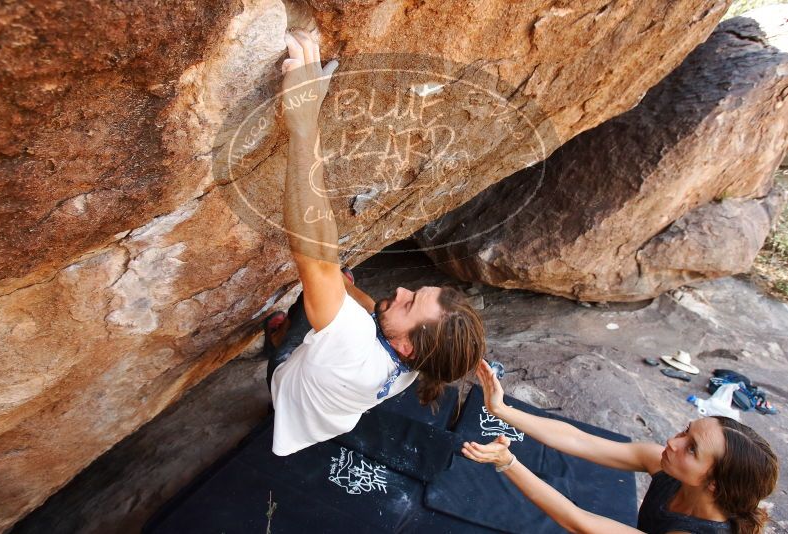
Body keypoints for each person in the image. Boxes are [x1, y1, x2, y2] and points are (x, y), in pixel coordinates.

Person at [266, 30, 486, 456]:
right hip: (326, 397)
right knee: (338, 289)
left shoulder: (351, 347)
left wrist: (304, 120)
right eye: (414, 293)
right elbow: (364, 308)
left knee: (316, 295)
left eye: (408, 304)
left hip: (287, 390)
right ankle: (304, 318)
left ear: (405, 347)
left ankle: (277, 343)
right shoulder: (416, 361)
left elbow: (314, 256)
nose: (402, 291)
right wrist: (345, 288)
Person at [462, 360, 779, 534]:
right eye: (686, 431)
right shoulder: (667, 464)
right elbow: (579, 441)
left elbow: (579, 522)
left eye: (692, 449)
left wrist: (508, 462)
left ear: (712, 484)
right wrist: (503, 410)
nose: (673, 442)